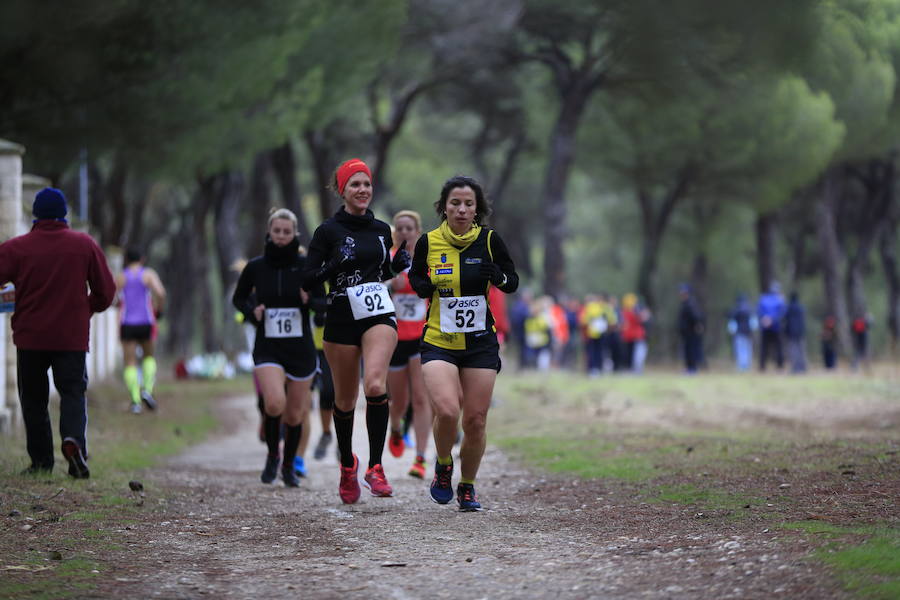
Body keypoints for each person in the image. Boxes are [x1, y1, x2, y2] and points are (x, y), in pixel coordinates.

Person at [302, 158, 410, 504]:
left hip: (377, 311)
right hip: (342, 315)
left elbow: (378, 272)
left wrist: (396, 266)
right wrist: (333, 265)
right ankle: (348, 464)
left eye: (366, 184)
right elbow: (307, 279)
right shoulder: (327, 232)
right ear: (343, 190)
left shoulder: (381, 230)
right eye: (355, 185)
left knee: (375, 384)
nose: (362, 190)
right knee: (345, 399)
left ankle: (375, 467)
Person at [409, 175, 518, 511]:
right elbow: (415, 275)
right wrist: (424, 287)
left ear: (477, 209)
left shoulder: (489, 241)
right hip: (439, 339)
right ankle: (443, 465)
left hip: (480, 343)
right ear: (444, 207)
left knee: (475, 420)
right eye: (455, 203)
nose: (461, 209)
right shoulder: (428, 242)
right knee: (446, 409)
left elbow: (511, 280)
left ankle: (467, 486)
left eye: (468, 204)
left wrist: (496, 276)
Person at [0, 188, 116, 478]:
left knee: (34, 399)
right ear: (64, 214)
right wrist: (86, 308)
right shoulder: (84, 244)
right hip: (71, 337)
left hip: (30, 336)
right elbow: (106, 291)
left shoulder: (16, 248)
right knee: (73, 392)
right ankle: (73, 442)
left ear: (35, 214)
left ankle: (41, 462)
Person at [233, 208, 324, 487]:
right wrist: (253, 312)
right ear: (269, 233)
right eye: (277, 231)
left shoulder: (307, 264)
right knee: (274, 403)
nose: (282, 236)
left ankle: (288, 466)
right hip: (268, 346)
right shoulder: (256, 266)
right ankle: (273, 454)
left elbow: (323, 304)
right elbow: (239, 299)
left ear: (295, 234)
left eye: (287, 232)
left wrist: (309, 301)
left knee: (296, 413)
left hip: (300, 349)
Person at [386, 210, 432, 479]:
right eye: (400, 228)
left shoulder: (426, 260)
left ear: (417, 231)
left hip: (421, 337)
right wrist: (392, 283)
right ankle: (395, 427)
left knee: (421, 398)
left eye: (409, 228)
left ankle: (420, 459)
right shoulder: (389, 260)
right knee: (398, 401)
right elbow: (374, 287)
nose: (404, 232)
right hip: (393, 338)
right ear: (395, 233)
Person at [117, 248, 166, 414]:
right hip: (146, 321)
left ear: (126, 259)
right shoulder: (148, 274)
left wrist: (119, 305)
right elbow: (160, 293)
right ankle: (147, 390)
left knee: (130, 362)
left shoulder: (121, 276)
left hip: (127, 323)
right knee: (149, 357)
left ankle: (135, 401)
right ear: (142, 259)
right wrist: (158, 310)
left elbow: (112, 296)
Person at [757, 281, 786, 371]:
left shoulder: (763, 298)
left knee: (764, 347)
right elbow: (783, 312)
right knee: (778, 347)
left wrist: (765, 319)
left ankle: (762, 366)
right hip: (775, 327)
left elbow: (759, 311)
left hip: (765, 326)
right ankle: (779, 366)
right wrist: (772, 320)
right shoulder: (780, 299)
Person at [677, 283, 704, 374]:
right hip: (686, 332)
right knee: (687, 350)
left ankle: (692, 369)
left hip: (691, 332)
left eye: (683, 292)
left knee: (691, 350)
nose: (681, 294)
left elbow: (696, 317)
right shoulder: (686, 303)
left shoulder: (690, 304)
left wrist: (697, 325)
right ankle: (689, 368)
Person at [620, 292, 650, 373]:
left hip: (635, 336)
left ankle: (635, 369)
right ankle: (633, 369)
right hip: (632, 336)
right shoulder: (629, 311)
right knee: (632, 354)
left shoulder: (633, 310)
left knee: (636, 354)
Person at [727, 293, 756, 372]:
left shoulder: (736, 310)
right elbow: (754, 323)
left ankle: (741, 367)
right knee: (748, 349)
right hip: (748, 332)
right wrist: (753, 330)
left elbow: (732, 322)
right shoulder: (750, 309)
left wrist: (732, 331)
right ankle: (746, 366)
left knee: (740, 349)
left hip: (739, 332)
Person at [783, 292, 807, 373]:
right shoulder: (801, 308)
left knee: (793, 351)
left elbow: (784, 318)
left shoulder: (789, 308)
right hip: (800, 332)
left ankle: (795, 368)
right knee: (801, 350)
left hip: (791, 333)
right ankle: (802, 367)